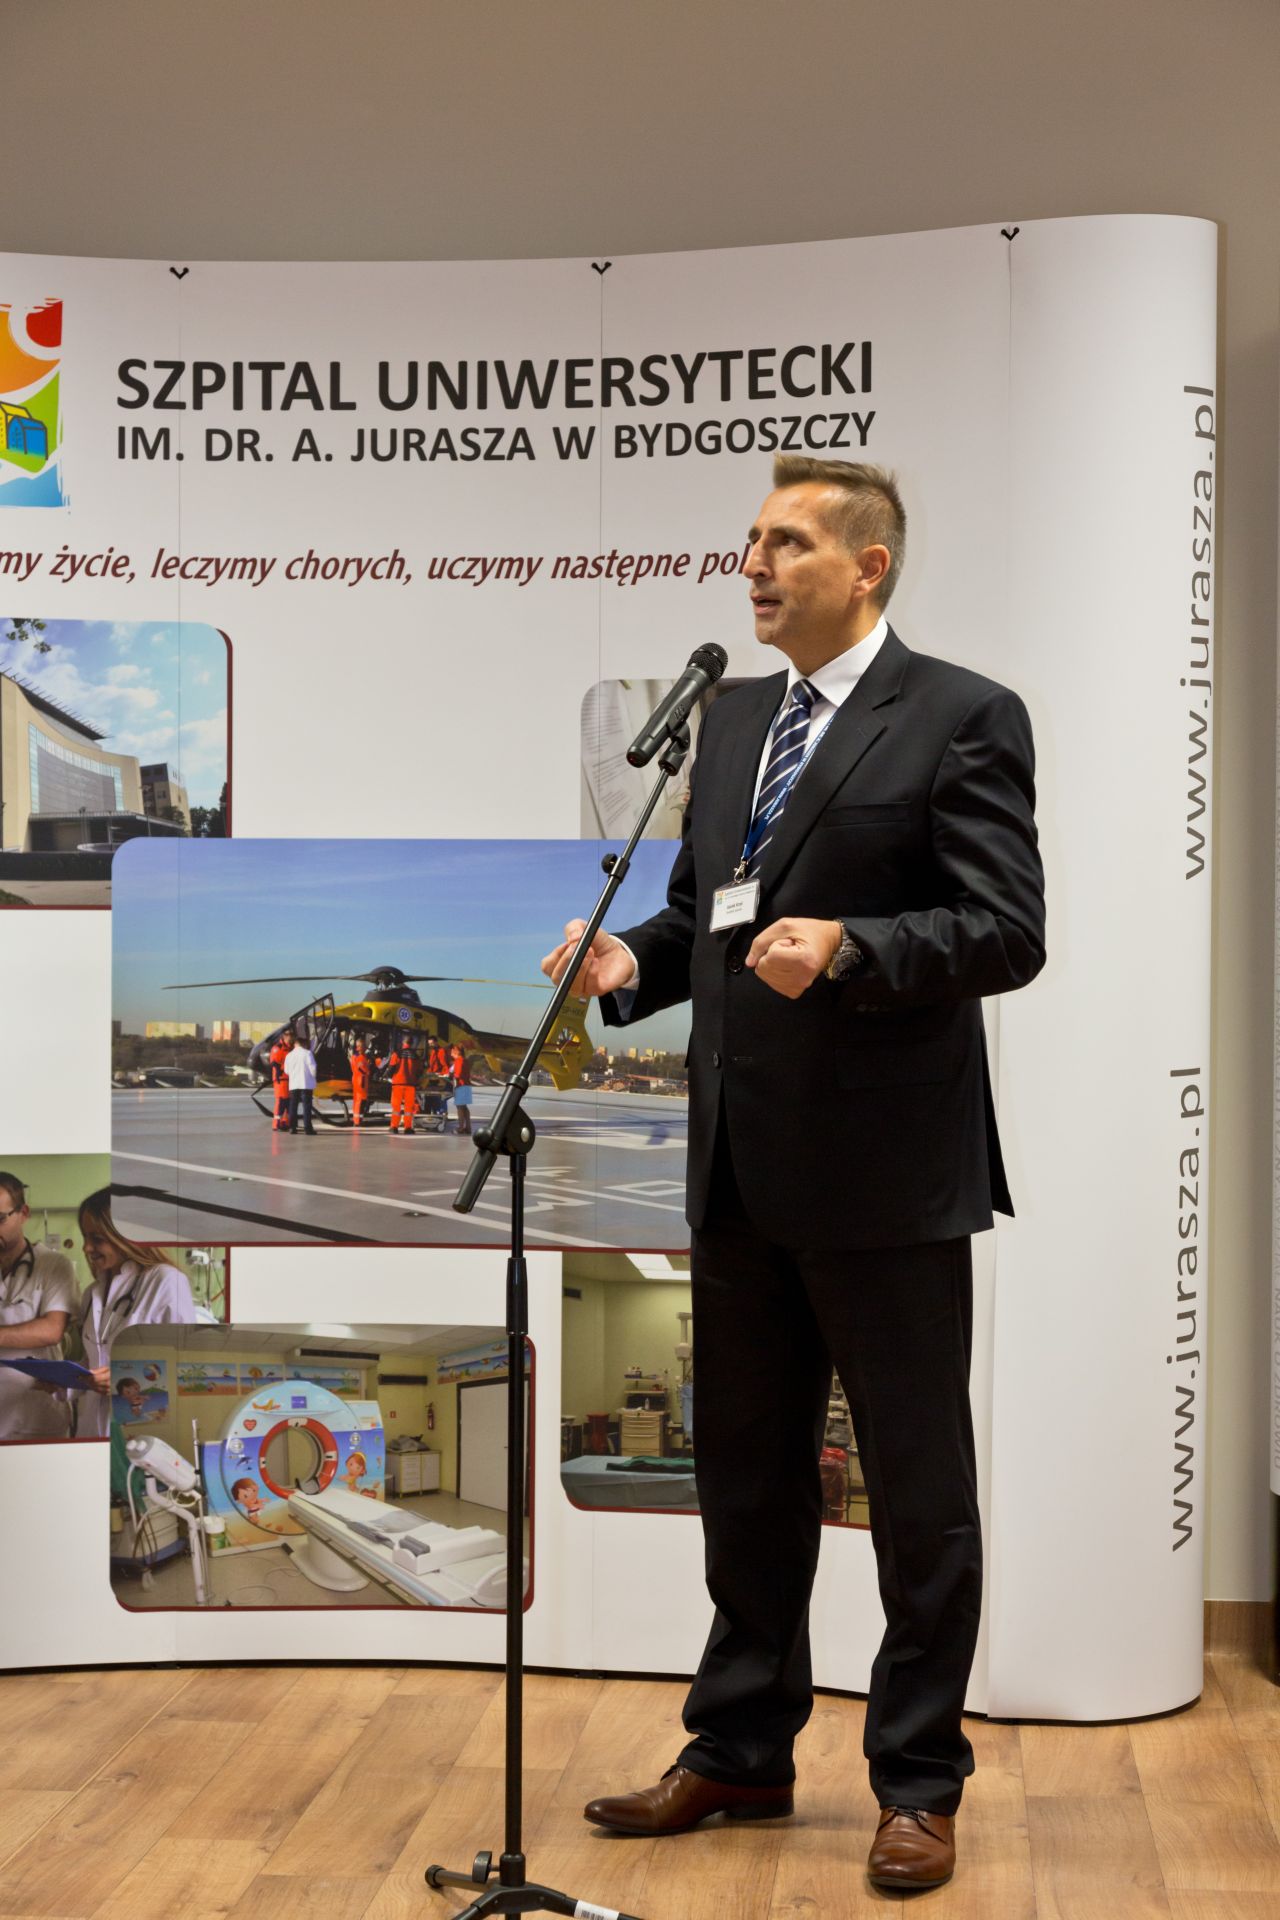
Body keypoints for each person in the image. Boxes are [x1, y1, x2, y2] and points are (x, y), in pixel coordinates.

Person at [542, 457, 1046, 1893]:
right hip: (737, 1173)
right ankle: (741, 1749)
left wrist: (853, 948)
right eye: (750, 541)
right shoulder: (734, 722)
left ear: (866, 566)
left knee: (916, 1496)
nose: (753, 564)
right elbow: (706, 909)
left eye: (786, 542)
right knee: (746, 1484)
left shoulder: (959, 714)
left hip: (886, 1178)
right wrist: (631, 962)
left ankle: (917, 1781)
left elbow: (1006, 929)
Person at [72, 1189, 198, 1438]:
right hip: (91, 1428)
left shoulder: (165, 1281)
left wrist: (120, 1378)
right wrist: (59, 1381)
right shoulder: (92, 1293)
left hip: (140, 1426)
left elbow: (186, 1364)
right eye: (85, 1237)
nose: (86, 1247)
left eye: (97, 1238)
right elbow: (93, 1362)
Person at [0, 1170, 77, 1440]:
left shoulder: (54, 1265)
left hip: (36, 1416)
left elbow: (51, 1330)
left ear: (23, 1213)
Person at [384, 1035, 420, 1135]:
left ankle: (394, 1127)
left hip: (398, 1084)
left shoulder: (397, 1054)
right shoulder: (415, 1056)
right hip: (410, 1084)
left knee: (396, 1107)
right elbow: (419, 1071)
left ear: (403, 1042)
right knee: (409, 1108)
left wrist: (386, 1076)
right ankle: (408, 1128)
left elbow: (392, 1067)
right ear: (412, 1043)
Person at [284, 1030, 319, 1134]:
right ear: (302, 1044)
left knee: (293, 1106)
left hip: (294, 1084)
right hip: (306, 1084)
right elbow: (313, 1068)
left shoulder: (289, 1055)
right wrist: (313, 1078)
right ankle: (308, 1128)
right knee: (306, 1106)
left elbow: (286, 1071)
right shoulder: (307, 1053)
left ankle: (292, 1127)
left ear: (295, 1044)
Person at [269, 1031, 293, 1132]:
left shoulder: (290, 1048)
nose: (291, 1038)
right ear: (284, 1037)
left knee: (288, 1102)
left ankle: (285, 1122)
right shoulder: (277, 1048)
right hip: (281, 1079)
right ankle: (276, 1123)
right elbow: (274, 1063)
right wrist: (279, 1072)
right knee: (281, 1101)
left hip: (289, 1078)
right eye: (289, 1036)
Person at [450, 1043, 473, 1136]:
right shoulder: (465, 1060)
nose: (451, 1053)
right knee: (464, 1107)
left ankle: (460, 1128)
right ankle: (468, 1127)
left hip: (461, 1086)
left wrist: (451, 1075)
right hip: (466, 1085)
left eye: (452, 1051)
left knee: (460, 1107)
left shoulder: (459, 1060)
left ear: (457, 1052)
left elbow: (458, 1074)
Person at [349, 1037, 371, 1128]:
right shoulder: (360, 1057)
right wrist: (369, 1070)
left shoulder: (356, 1056)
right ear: (359, 1047)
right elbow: (363, 1069)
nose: (365, 1047)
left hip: (357, 1080)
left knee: (358, 1100)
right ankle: (357, 1121)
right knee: (360, 1101)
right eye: (364, 1046)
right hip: (361, 1080)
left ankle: (357, 1119)